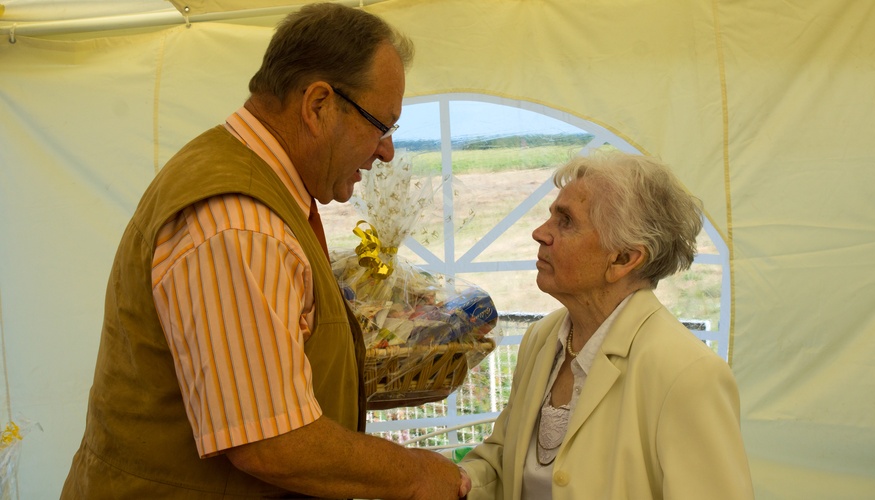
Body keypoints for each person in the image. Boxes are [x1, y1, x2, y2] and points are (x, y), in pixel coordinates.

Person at [61, 3, 464, 499]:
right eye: (381, 124)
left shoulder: (250, 185)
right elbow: (270, 439)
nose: (386, 150)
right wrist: (414, 473)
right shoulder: (241, 223)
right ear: (317, 105)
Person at [457, 151, 754, 499]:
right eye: (551, 215)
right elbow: (504, 464)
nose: (540, 233)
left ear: (624, 259)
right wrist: (441, 479)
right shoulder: (542, 338)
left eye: (565, 221)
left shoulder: (687, 374)